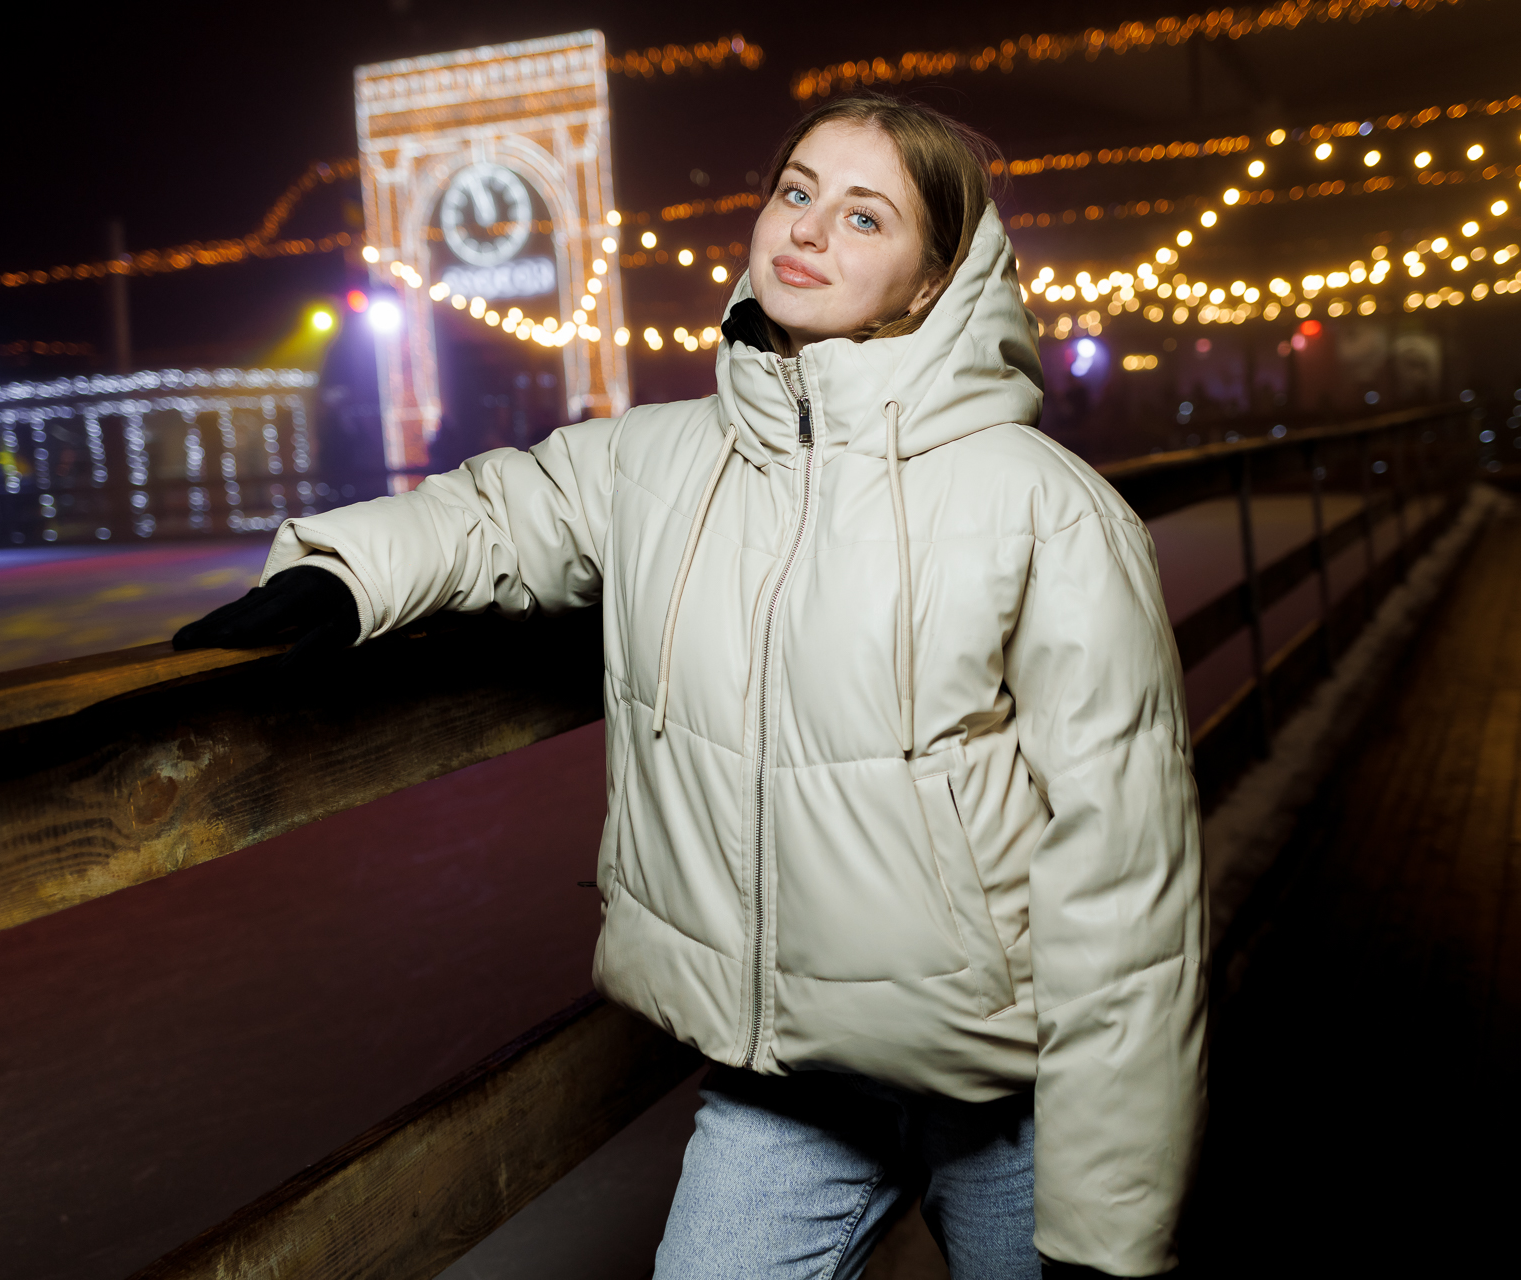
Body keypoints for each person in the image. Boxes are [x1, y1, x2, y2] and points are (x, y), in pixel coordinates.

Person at [175, 95, 1205, 1279]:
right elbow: (504, 507)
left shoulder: (1047, 510)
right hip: (789, 1079)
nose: (807, 228)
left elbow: (1129, 882)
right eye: (797, 190)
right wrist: (343, 573)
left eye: (865, 216)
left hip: (1010, 1081)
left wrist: (1107, 1224)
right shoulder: (659, 459)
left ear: (936, 280)